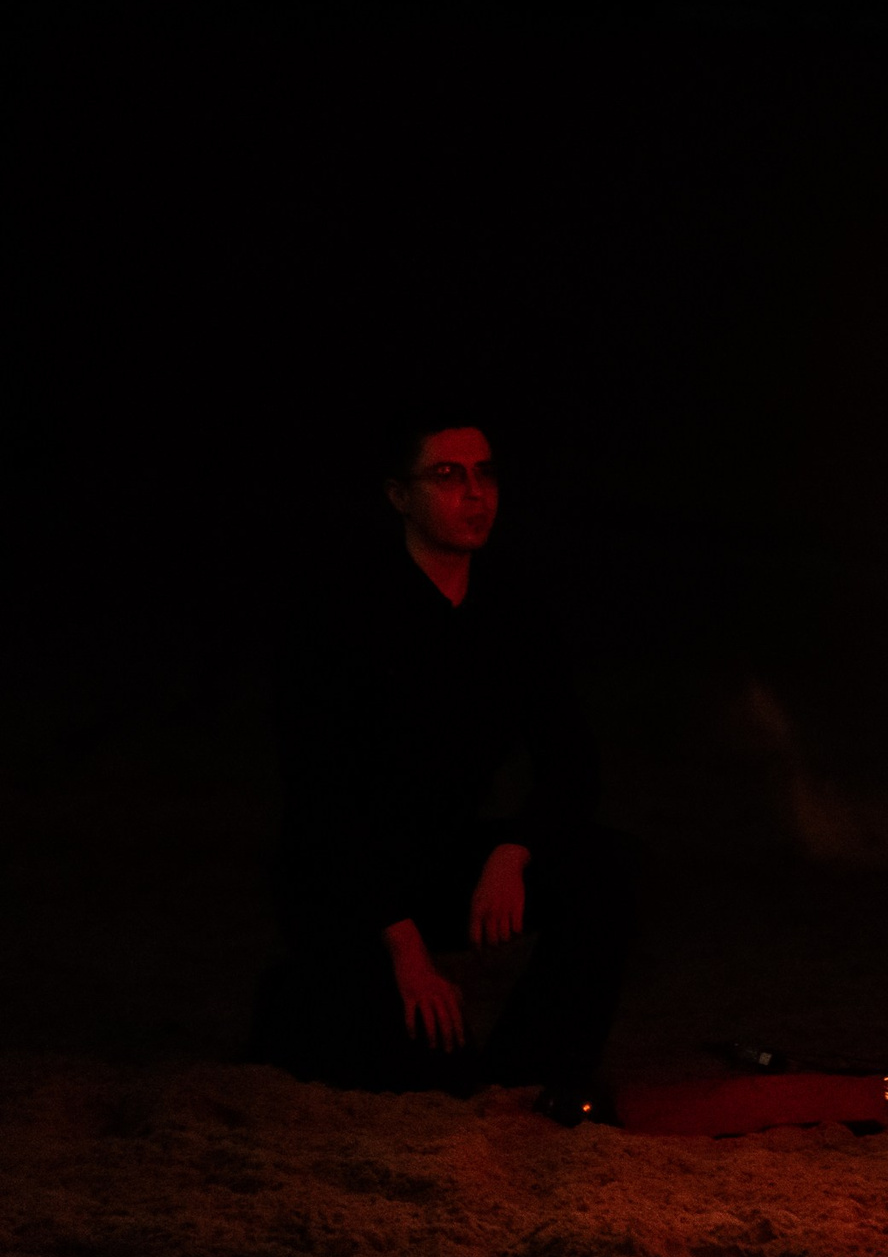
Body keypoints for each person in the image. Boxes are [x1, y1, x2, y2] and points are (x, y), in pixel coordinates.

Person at [252, 416, 632, 1124]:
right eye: (448, 476)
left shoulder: (511, 611)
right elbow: (321, 797)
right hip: (346, 881)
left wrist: (514, 852)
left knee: (609, 864)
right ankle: (304, 997)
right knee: (422, 1074)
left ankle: (530, 1068)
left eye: (485, 473)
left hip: (438, 861)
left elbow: (573, 763)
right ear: (400, 495)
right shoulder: (342, 613)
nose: (474, 493)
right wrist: (404, 947)